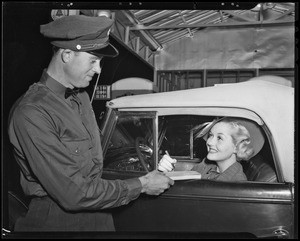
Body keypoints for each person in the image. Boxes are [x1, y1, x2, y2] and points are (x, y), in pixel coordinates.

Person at [8, 14, 174, 231]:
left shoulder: (81, 98)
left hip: (99, 217)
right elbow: (73, 193)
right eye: (93, 60)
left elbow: (94, 164)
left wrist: (150, 168)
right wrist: (142, 184)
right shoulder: (32, 111)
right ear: (67, 55)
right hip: (57, 223)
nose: (98, 70)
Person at [158, 117, 265, 182]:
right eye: (210, 135)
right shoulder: (207, 164)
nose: (209, 142)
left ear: (237, 147)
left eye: (219, 138)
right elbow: (189, 180)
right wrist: (170, 169)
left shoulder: (235, 182)